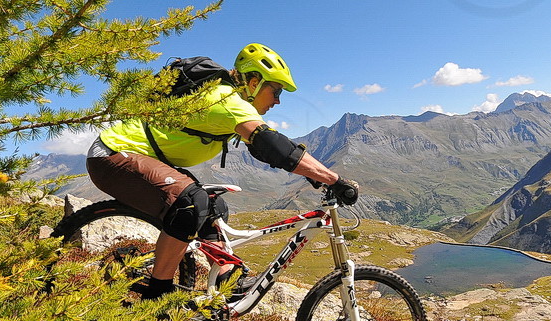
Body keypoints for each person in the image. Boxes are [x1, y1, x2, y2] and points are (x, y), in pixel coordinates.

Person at [86, 43, 360, 300]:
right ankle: (157, 297)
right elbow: (273, 146)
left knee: (213, 207)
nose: (277, 101)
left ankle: (227, 280)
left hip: (143, 158)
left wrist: (312, 172)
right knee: (190, 204)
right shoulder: (226, 99)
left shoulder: (227, 97)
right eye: (275, 91)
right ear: (254, 83)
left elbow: (263, 150)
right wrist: (332, 179)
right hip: (112, 155)